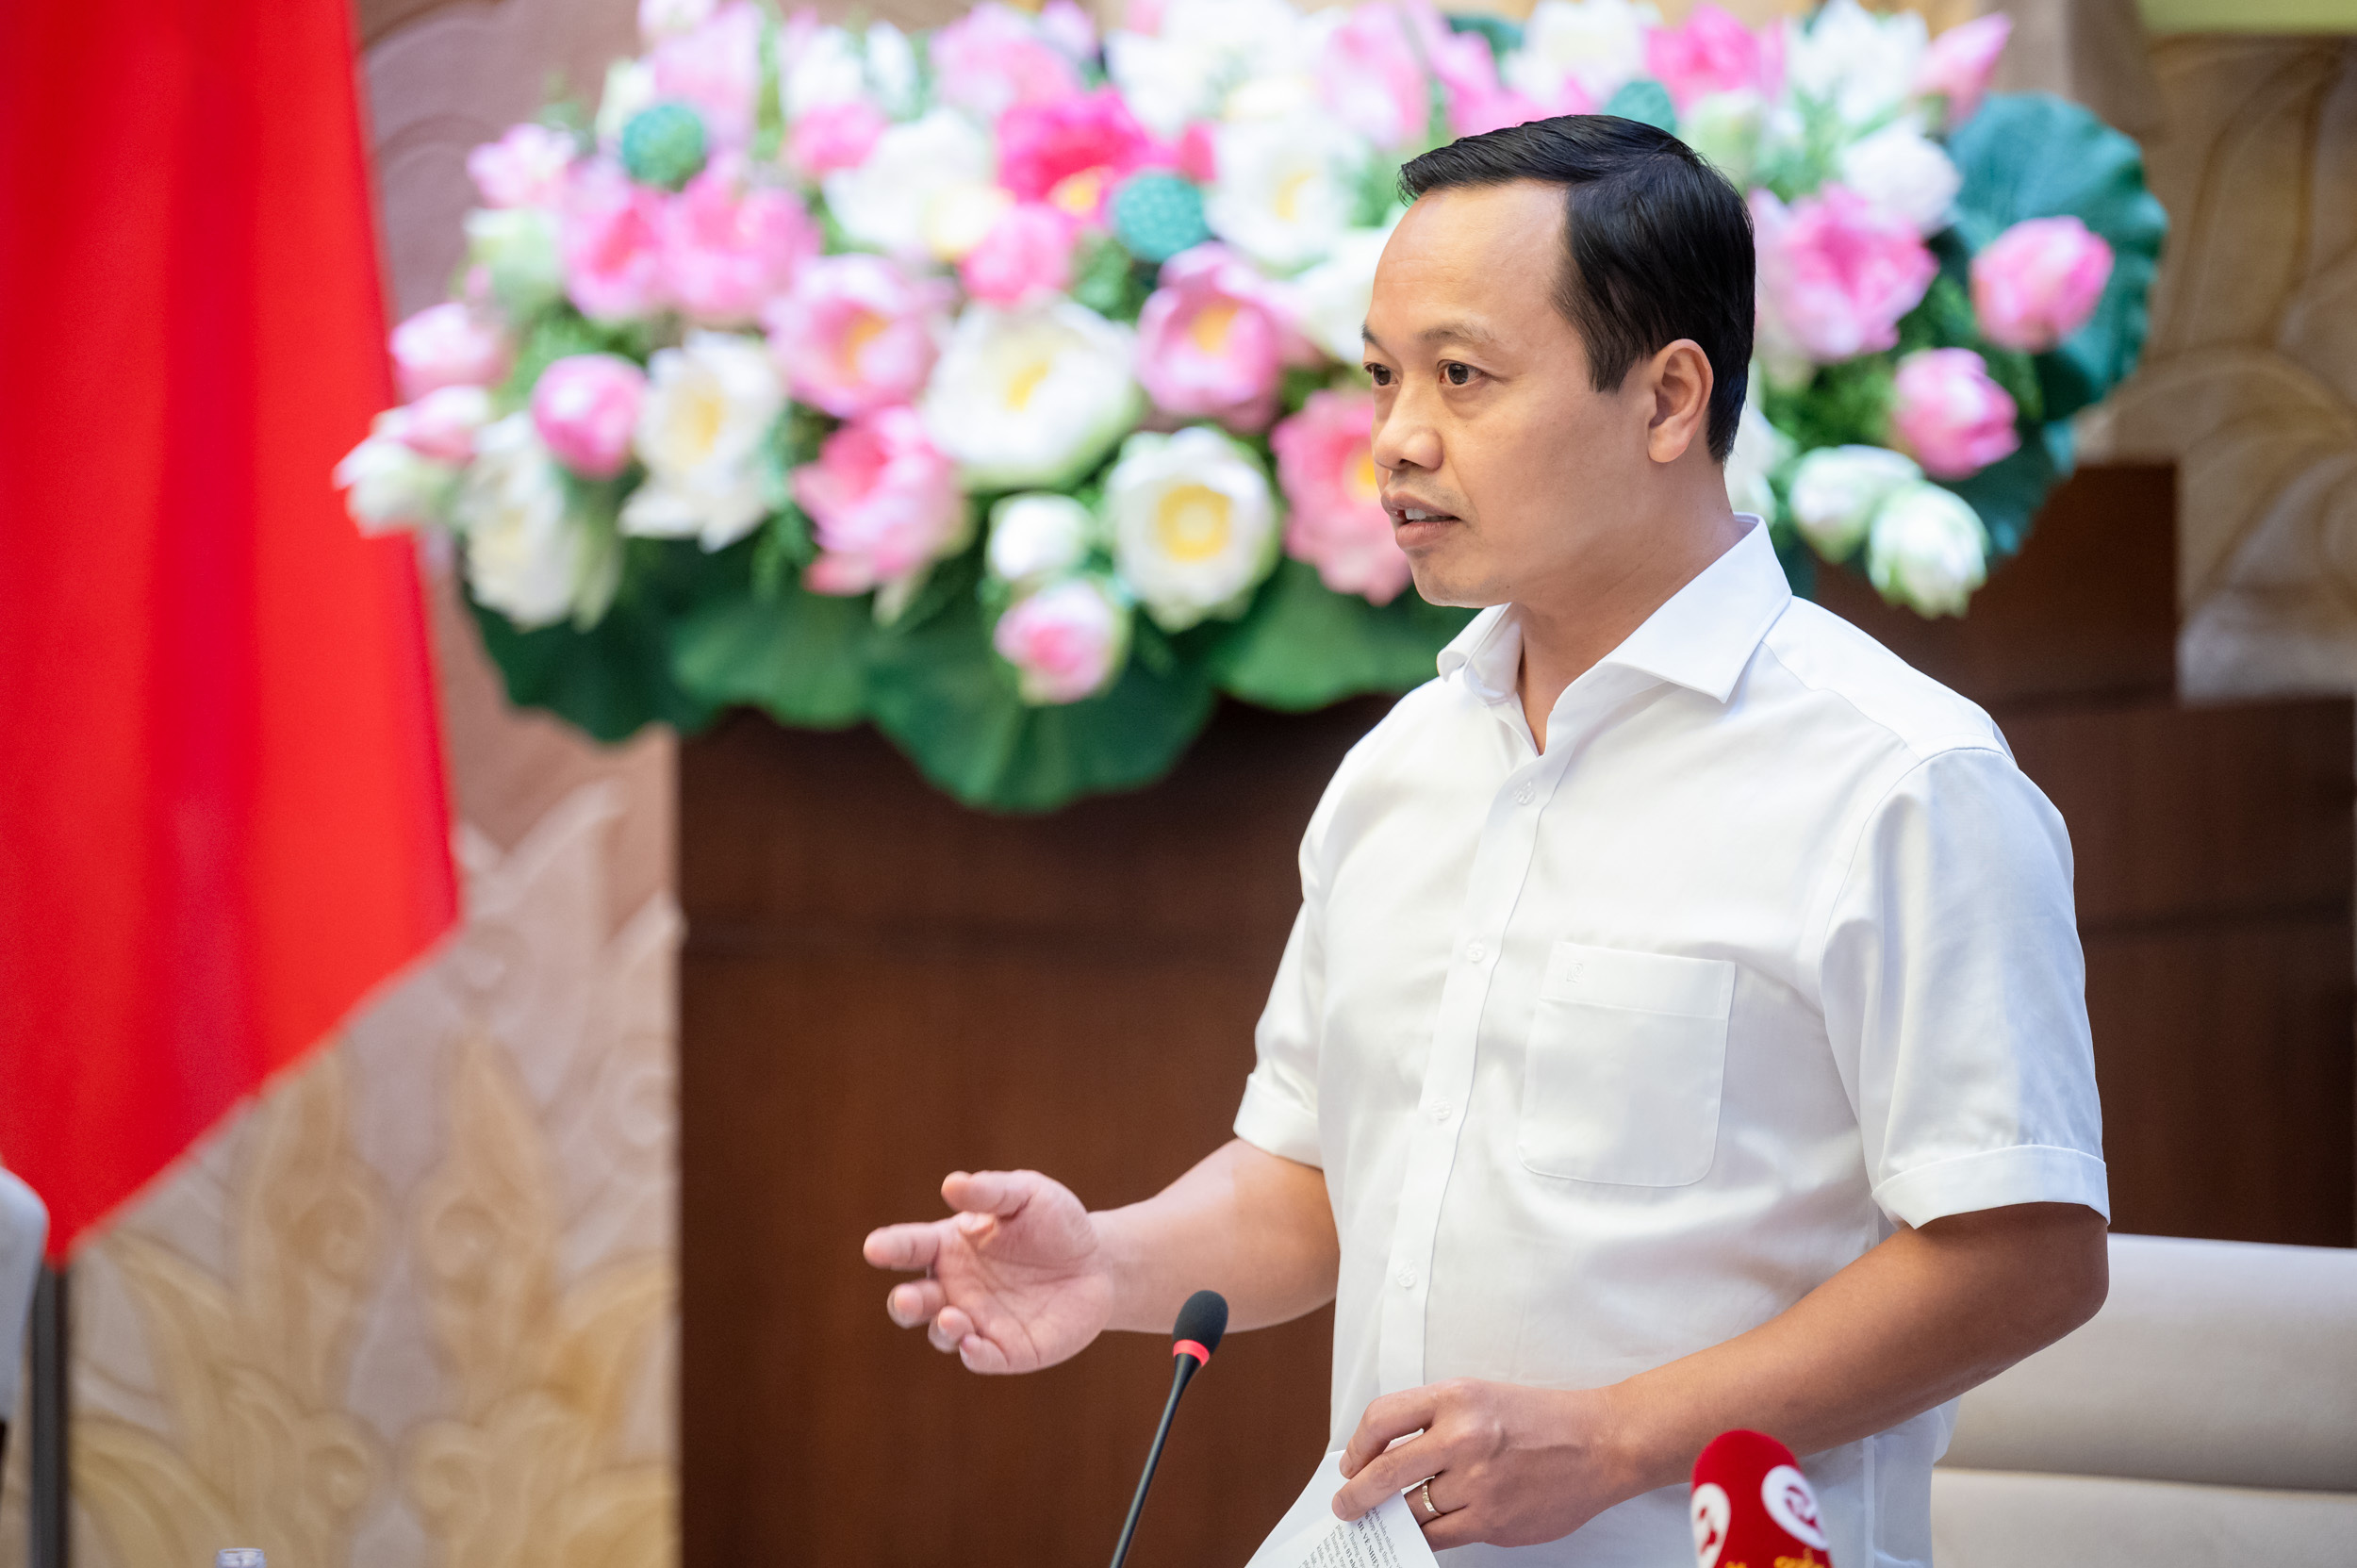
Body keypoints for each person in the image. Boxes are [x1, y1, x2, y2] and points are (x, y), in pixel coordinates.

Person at [863, 115, 2109, 1566]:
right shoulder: (1402, 767)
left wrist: (1619, 1439)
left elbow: (2025, 1256)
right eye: (1381, 375)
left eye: (1461, 375)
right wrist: (1110, 1261)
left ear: (1668, 399)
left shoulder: (1902, 780)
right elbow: (1317, 1178)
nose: (1398, 437)